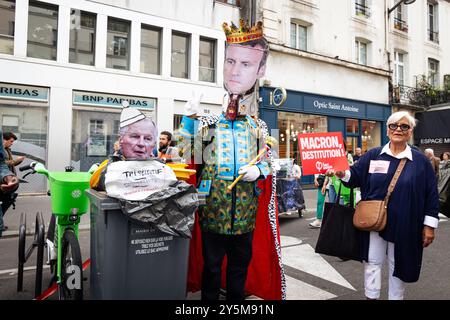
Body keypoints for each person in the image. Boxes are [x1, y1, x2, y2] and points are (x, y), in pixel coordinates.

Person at [177, 20, 284, 300]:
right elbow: (186, 154)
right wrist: (188, 119)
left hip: (246, 214)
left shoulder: (258, 127)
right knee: (211, 267)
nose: (233, 104)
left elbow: (271, 163)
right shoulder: (210, 126)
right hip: (213, 211)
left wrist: (258, 171)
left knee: (240, 266)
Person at [326, 111, 439, 300]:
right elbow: (354, 176)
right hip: (374, 220)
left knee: (399, 264)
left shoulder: (420, 161)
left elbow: (431, 194)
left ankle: (396, 297)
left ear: (410, 132)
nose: (398, 130)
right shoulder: (373, 155)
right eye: (394, 125)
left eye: (404, 126)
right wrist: (341, 174)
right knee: (372, 261)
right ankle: (371, 296)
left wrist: (429, 226)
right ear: (387, 130)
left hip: (406, 222)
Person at [90, 102, 158, 190]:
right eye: (135, 136)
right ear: (121, 140)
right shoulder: (107, 172)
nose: (141, 143)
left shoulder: (164, 172)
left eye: (148, 138)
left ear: (154, 144)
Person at [0, 129, 20, 236]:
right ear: (4, 139)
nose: (12, 143)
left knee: (9, 199)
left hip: (7, 181)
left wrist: (10, 177)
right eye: (11, 141)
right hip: (3, 182)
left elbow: (3, 165)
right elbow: (5, 164)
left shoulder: (7, 150)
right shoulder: (2, 149)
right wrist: (15, 161)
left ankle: (1, 224)